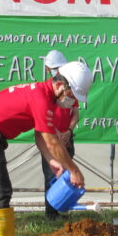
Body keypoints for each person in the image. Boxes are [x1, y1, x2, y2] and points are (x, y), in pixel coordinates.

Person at [0, 60, 92, 236]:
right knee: (1, 189)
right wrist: (74, 170)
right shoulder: (42, 99)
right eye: (70, 95)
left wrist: (52, 161)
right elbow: (52, 142)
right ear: (60, 85)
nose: (71, 101)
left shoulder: (44, 97)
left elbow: (40, 135)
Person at [40, 50, 79, 220]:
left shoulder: (70, 88)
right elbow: (43, 117)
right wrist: (56, 134)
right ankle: (51, 213)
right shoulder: (47, 90)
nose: (58, 72)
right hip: (51, 140)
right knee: (52, 174)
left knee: (68, 175)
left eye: (60, 68)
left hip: (67, 138)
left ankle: (64, 210)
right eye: (55, 69)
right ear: (48, 69)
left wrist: (68, 131)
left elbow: (75, 113)